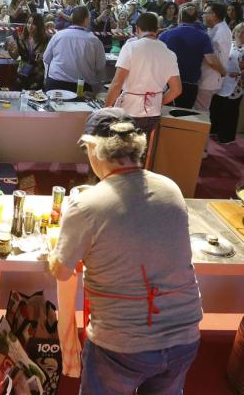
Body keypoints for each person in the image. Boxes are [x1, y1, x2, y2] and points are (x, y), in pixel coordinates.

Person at [51, 108, 202, 392]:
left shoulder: (85, 205)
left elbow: (61, 269)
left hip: (122, 344)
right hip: (185, 335)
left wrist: (60, 241)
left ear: (94, 148)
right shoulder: (170, 188)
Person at [104, 13, 182, 137]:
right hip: (153, 112)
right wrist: (159, 101)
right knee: (143, 151)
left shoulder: (130, 47)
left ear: (137, 29)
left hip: (130, 110)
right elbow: (176, 90)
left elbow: (117, 83)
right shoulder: (169, 53)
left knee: (123, 150)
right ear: (157, 30)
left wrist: (106, 108)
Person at [159, 5, 222, 109]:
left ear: (179, 17)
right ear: (196, 19)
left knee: (164, 116)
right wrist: (223, 72)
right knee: (184, 118)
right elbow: (211, 60)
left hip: (167, 82)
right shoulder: (203, 36)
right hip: (190, 84)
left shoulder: (166, 34)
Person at [209, 23, 244, 145]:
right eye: (238, 32)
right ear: (234, 32)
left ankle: (227, 136)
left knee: (230, 110)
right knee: (216, 106)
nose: (240, 35)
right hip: (223, 79)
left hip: (237, 83)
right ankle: (214, 130)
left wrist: (240, 73)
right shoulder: (230, 44)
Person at [42, 7, 105, 94]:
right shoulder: (94, 41)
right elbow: (100, 67)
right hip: (81, 87)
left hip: (55, 84)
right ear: (86, 20)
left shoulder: (58, 36)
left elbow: (46, 59)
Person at [196, 4, 233, 111]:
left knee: (200, 112)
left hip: (210, 78)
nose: (202, 16)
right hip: (207, 76)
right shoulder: (215, 29)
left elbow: (214, 60)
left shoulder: (222, 32)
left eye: (205, 13)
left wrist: (223, 72)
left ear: (213, 15)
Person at [6, 12, 49, 91]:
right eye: (29, 23)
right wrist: (9, 50)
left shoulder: (45, 40)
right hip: (22, 73)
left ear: (39, 26)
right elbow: (15, 56)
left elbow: (47, 57)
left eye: (34, 24)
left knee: (36, 97)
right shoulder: (21, 39)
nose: (30, 26)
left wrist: (42, 57)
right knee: (20, 96)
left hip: (37, 75)